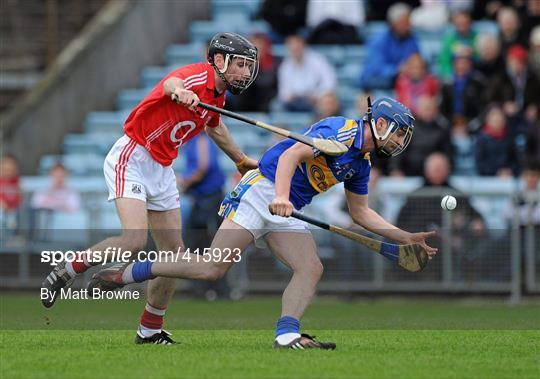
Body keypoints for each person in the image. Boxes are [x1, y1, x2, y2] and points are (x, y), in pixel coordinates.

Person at [89, 97, 438, 350]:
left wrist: (405, 236)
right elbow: (290, 155)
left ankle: (287, 334)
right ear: (380, 123)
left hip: (285, 205)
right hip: (263, 191)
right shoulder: (340, 133)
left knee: (310, 268)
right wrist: (282, 196)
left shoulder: (360, 164)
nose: (399, 141)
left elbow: (361, 213)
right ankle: (132, 272)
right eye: (398, 133)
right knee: (213, 269)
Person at [40, 33, 260, 345]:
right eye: (241, 65)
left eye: (249, 67)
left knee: (173, 256)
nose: (246, 73)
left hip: (162, 168)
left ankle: (149, 330)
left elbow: (214, 126)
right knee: (133, 240)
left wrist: (239, 159)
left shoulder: (218, 98)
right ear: (219, 60)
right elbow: (171, 83)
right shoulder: (197, 76)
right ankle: (68, 267)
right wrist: (182, 93)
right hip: (133, 155)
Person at [178, 133, 229, 300]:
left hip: (210, 197)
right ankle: (207, 288)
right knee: (203, 242)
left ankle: (215, 288)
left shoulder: (200, 139)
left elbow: (202, 167)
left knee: (205, 242)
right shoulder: (195, 140)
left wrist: (184, 182)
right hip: (203, 197)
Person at [358, 3, 420, 90]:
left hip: (401, 78)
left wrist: (411, 68)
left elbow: (416, 58)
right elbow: (376, 68)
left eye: (409, 21)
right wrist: (397, 70)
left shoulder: (412, 38)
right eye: (405, 22)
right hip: (375, 81)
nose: (409, 25)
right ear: (395, 23)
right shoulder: (379, 40)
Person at [389, 96, 451, 177]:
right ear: (419, 110)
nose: (429, 112)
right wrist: (395, 169)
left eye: (432, 109)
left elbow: (447, 155)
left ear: (436, 110)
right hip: (409, 173)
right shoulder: (407, 129)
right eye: (426, 108)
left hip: (434, 175)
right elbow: (398, 151)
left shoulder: (442, 130)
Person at [277, 34, 337, 112]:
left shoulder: (318, 61)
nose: (295, 50)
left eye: (297, 47)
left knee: (327, 102)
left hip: (316, 100)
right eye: (292, 48)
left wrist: (318, 95)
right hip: (294, 102)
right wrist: (290, 97)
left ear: (303, 46)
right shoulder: (285, 66)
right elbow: (284, 92)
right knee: (277, 106)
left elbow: (329, 82)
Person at [475, 104, 517, 177]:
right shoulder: (481, 139)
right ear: (487, 120)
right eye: (495, 119)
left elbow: (516, 161)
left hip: (508, 178)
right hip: (488, 179)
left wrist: (510, 171)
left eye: (500, 119)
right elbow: (480, 164)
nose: (498, 121)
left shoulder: (510, 138)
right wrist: (497, 172)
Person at [438, 9, 478, 81]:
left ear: (470, 23)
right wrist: (449, 76)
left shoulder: (477, 38)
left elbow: (481, 59)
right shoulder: (449, 40)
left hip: (473, 75)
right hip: (454, 76)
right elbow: (444, 61)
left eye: (464, 24)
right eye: (459, 24)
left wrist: (472, 53)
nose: (461, 27)